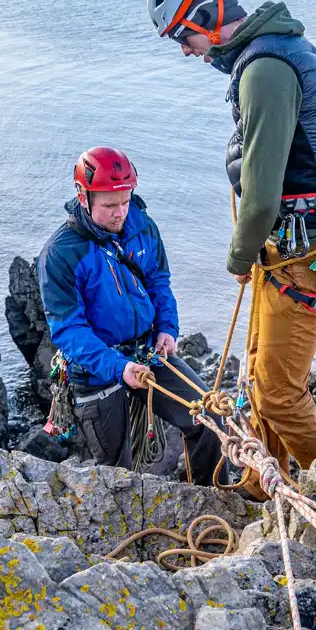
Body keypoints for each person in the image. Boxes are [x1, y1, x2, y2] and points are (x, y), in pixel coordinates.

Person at [145, 0, 316, 500]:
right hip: (306, 244)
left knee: (277, 392)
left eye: (184, 36)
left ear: (206, 12)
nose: (186, 51)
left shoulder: (263, 70)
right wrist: (278, 144)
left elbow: (258, 202)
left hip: (297, 258)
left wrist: (237, 258)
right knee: (257, 374)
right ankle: (262, 481)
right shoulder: (291, 46)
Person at [37, 146, 226, 485]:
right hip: (96, 371)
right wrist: (118, 368)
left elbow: (157, 279)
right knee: (118, 473)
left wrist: (167, 327)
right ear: (84, 197)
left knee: (208, 417)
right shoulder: (60, 254)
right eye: (109, 205)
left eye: (125, 201)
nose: (120, 212)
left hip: (146, 351)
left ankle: (214, 502)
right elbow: (68, 330)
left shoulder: (141, 225)